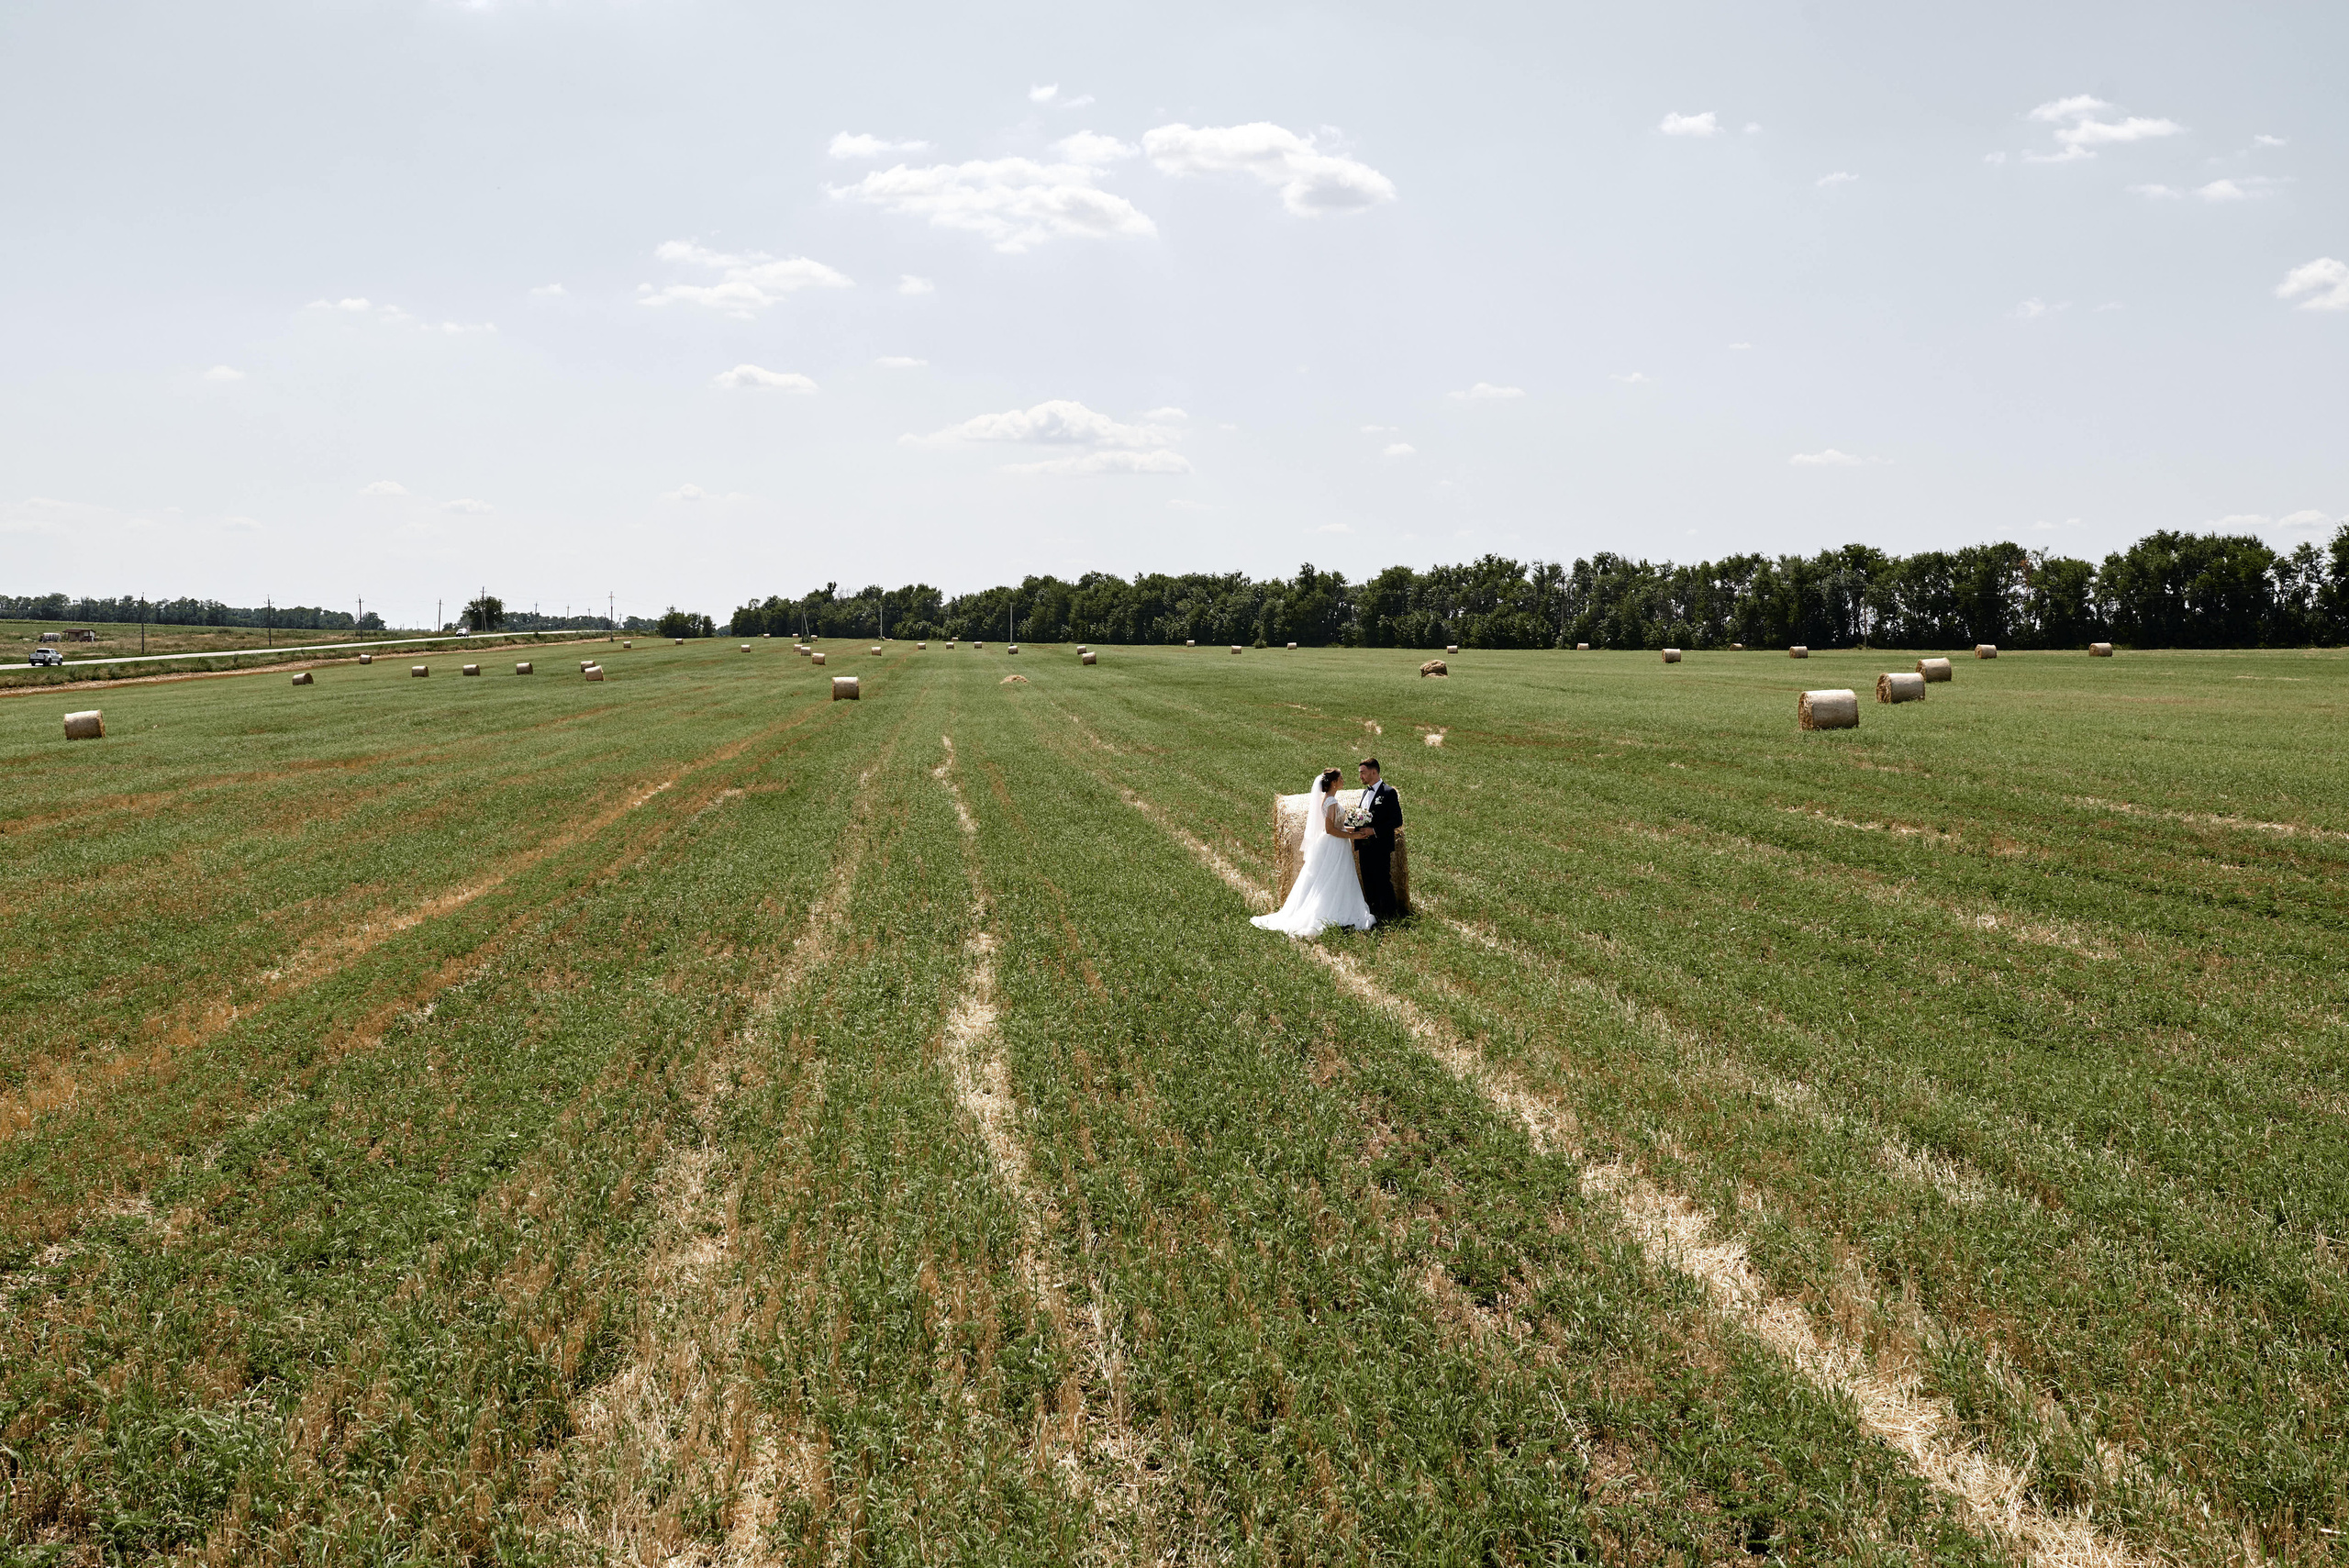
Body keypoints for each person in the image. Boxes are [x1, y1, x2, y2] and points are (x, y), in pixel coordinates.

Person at [1251, 768, 1377, 938]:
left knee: (1334, 877)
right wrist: (1352, 835)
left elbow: (1337, 826)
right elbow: (1330, 829)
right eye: (1341, 778)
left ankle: (1336, 906)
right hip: (1335, 844)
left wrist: (1354, 830)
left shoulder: (1329, 800)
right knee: (1334, 878)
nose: (1343, 781)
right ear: (1333, 783)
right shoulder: (1331, 802)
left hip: (1336, 843)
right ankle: (1332, 910)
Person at [1350, 758, 1403, 919]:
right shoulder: (1366, 793)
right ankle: (1373, 914)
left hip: (1380, 844)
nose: (1360, 777)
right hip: (1364, 845)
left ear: (1374, 772)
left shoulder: (1388, 792)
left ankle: (1391, 915)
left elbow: (1397, 820)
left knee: (1382, 879)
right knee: (1368, 880)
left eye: (1363, 773)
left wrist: (1374, 830)